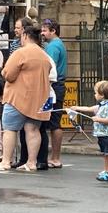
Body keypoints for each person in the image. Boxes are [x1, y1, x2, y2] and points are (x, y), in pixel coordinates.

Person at [0, 25, 51, 172]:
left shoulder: (20, 53)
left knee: (10, 129)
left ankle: (5, 161)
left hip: (18, 97)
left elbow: (8, 74)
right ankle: (31, 162)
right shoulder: (44, 55)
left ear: (25, 36)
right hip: (39, 98)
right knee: (33, 130)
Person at [69, 80, 108, 181]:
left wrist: (99, 119)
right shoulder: (100, 106)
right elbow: (89, 108)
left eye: (96, 93)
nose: (95, 95)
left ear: (102, 95)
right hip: (102, 134)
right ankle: (106, 170)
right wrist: (76, 108)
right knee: (106, 154)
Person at [41, 18, 67, 169]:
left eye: (45, 30)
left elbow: (49, 68)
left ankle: (55, 158)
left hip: (53, 87)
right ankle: (54, 157)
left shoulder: (53, 47)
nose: (43, 33)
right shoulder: (58, 44)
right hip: (58, 86)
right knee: (54, 120)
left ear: (53, 31)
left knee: (52, 120)